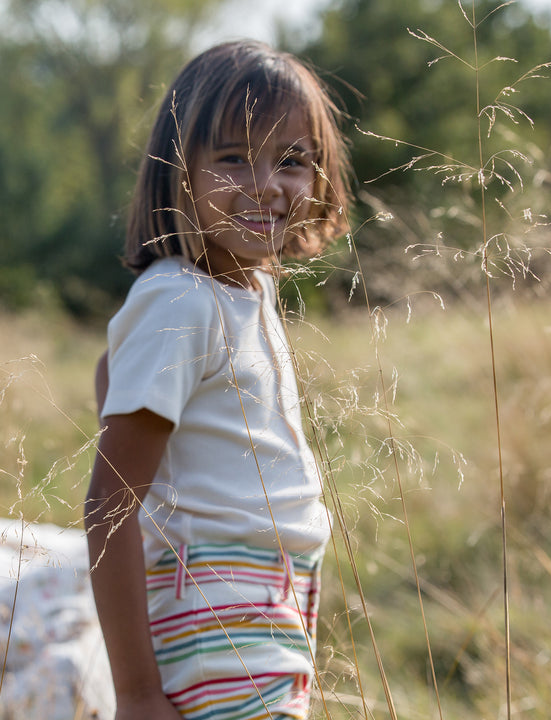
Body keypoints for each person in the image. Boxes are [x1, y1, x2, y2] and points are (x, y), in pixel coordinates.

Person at [85, 39, 350, 720]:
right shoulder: (182, 298)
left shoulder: (247, 288)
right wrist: (138, 695)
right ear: (178, 171)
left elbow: (113, 371)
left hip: (269, 592)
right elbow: (108, 511)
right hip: (217, 604)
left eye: (293, 161)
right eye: (233, 158)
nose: (267, 184)